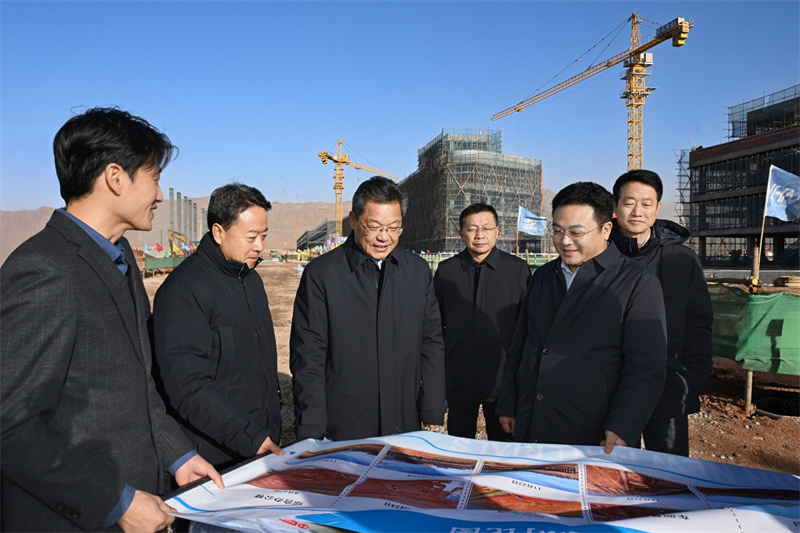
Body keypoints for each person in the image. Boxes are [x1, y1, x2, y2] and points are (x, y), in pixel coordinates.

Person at [0, 107, 223, 532]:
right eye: (154, 178)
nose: (161, 195)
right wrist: (115, 504)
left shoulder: (119, 258)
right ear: (116, 178)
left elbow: (137, 385)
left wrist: (178, 455)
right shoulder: (45, 269)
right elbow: (10, 425)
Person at [496, 182, 667, 453]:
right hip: (533, 421)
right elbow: (521, 344)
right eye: (557, 231)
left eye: (576, 232)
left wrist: (624, 424)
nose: (565, 241)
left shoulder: (636, 283)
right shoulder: (543, 276)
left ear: (606, 229)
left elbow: (646, 366)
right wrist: (509, 402)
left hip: (594, 431)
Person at [290, 176, 447, 441]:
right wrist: (311, 425)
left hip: (403, 416)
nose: (384, 237)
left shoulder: (417, 272)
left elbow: (431, 341)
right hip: (344, 420)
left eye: (394, 228)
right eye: (373, 227)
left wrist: (432, 405)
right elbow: (308, 354)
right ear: (353, 220)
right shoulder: (322, 274)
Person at [152, 183, 284, 469]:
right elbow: (188, 386)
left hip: (260, 444)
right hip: (215, 456)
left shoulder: (252, 280)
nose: (260, 246)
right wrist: (250, 437)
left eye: (263, 236)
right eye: (251, 237)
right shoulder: (184, 290)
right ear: (218, 232)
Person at [610, 169, 713, 456]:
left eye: (646, 203)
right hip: (611, 388)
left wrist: (692, 380)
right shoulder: (600, 256)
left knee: (669, 471)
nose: (637, 211)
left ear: (657, 207)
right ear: (615, 207)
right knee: (614, 470)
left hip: (669, 384)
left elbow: (699, 323)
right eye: (629, 202)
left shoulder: (682, 259)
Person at [433, 203, 530, 441]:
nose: (479, 235)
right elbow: (435, 324)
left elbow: (526, 326)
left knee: (502, 446)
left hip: (502, 379)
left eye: (486, 228)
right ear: (461, 233)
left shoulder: (516, 269)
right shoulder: (446, 271)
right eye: (472, 228)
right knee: (458, 446)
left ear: (497, 232)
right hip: (458, 377)